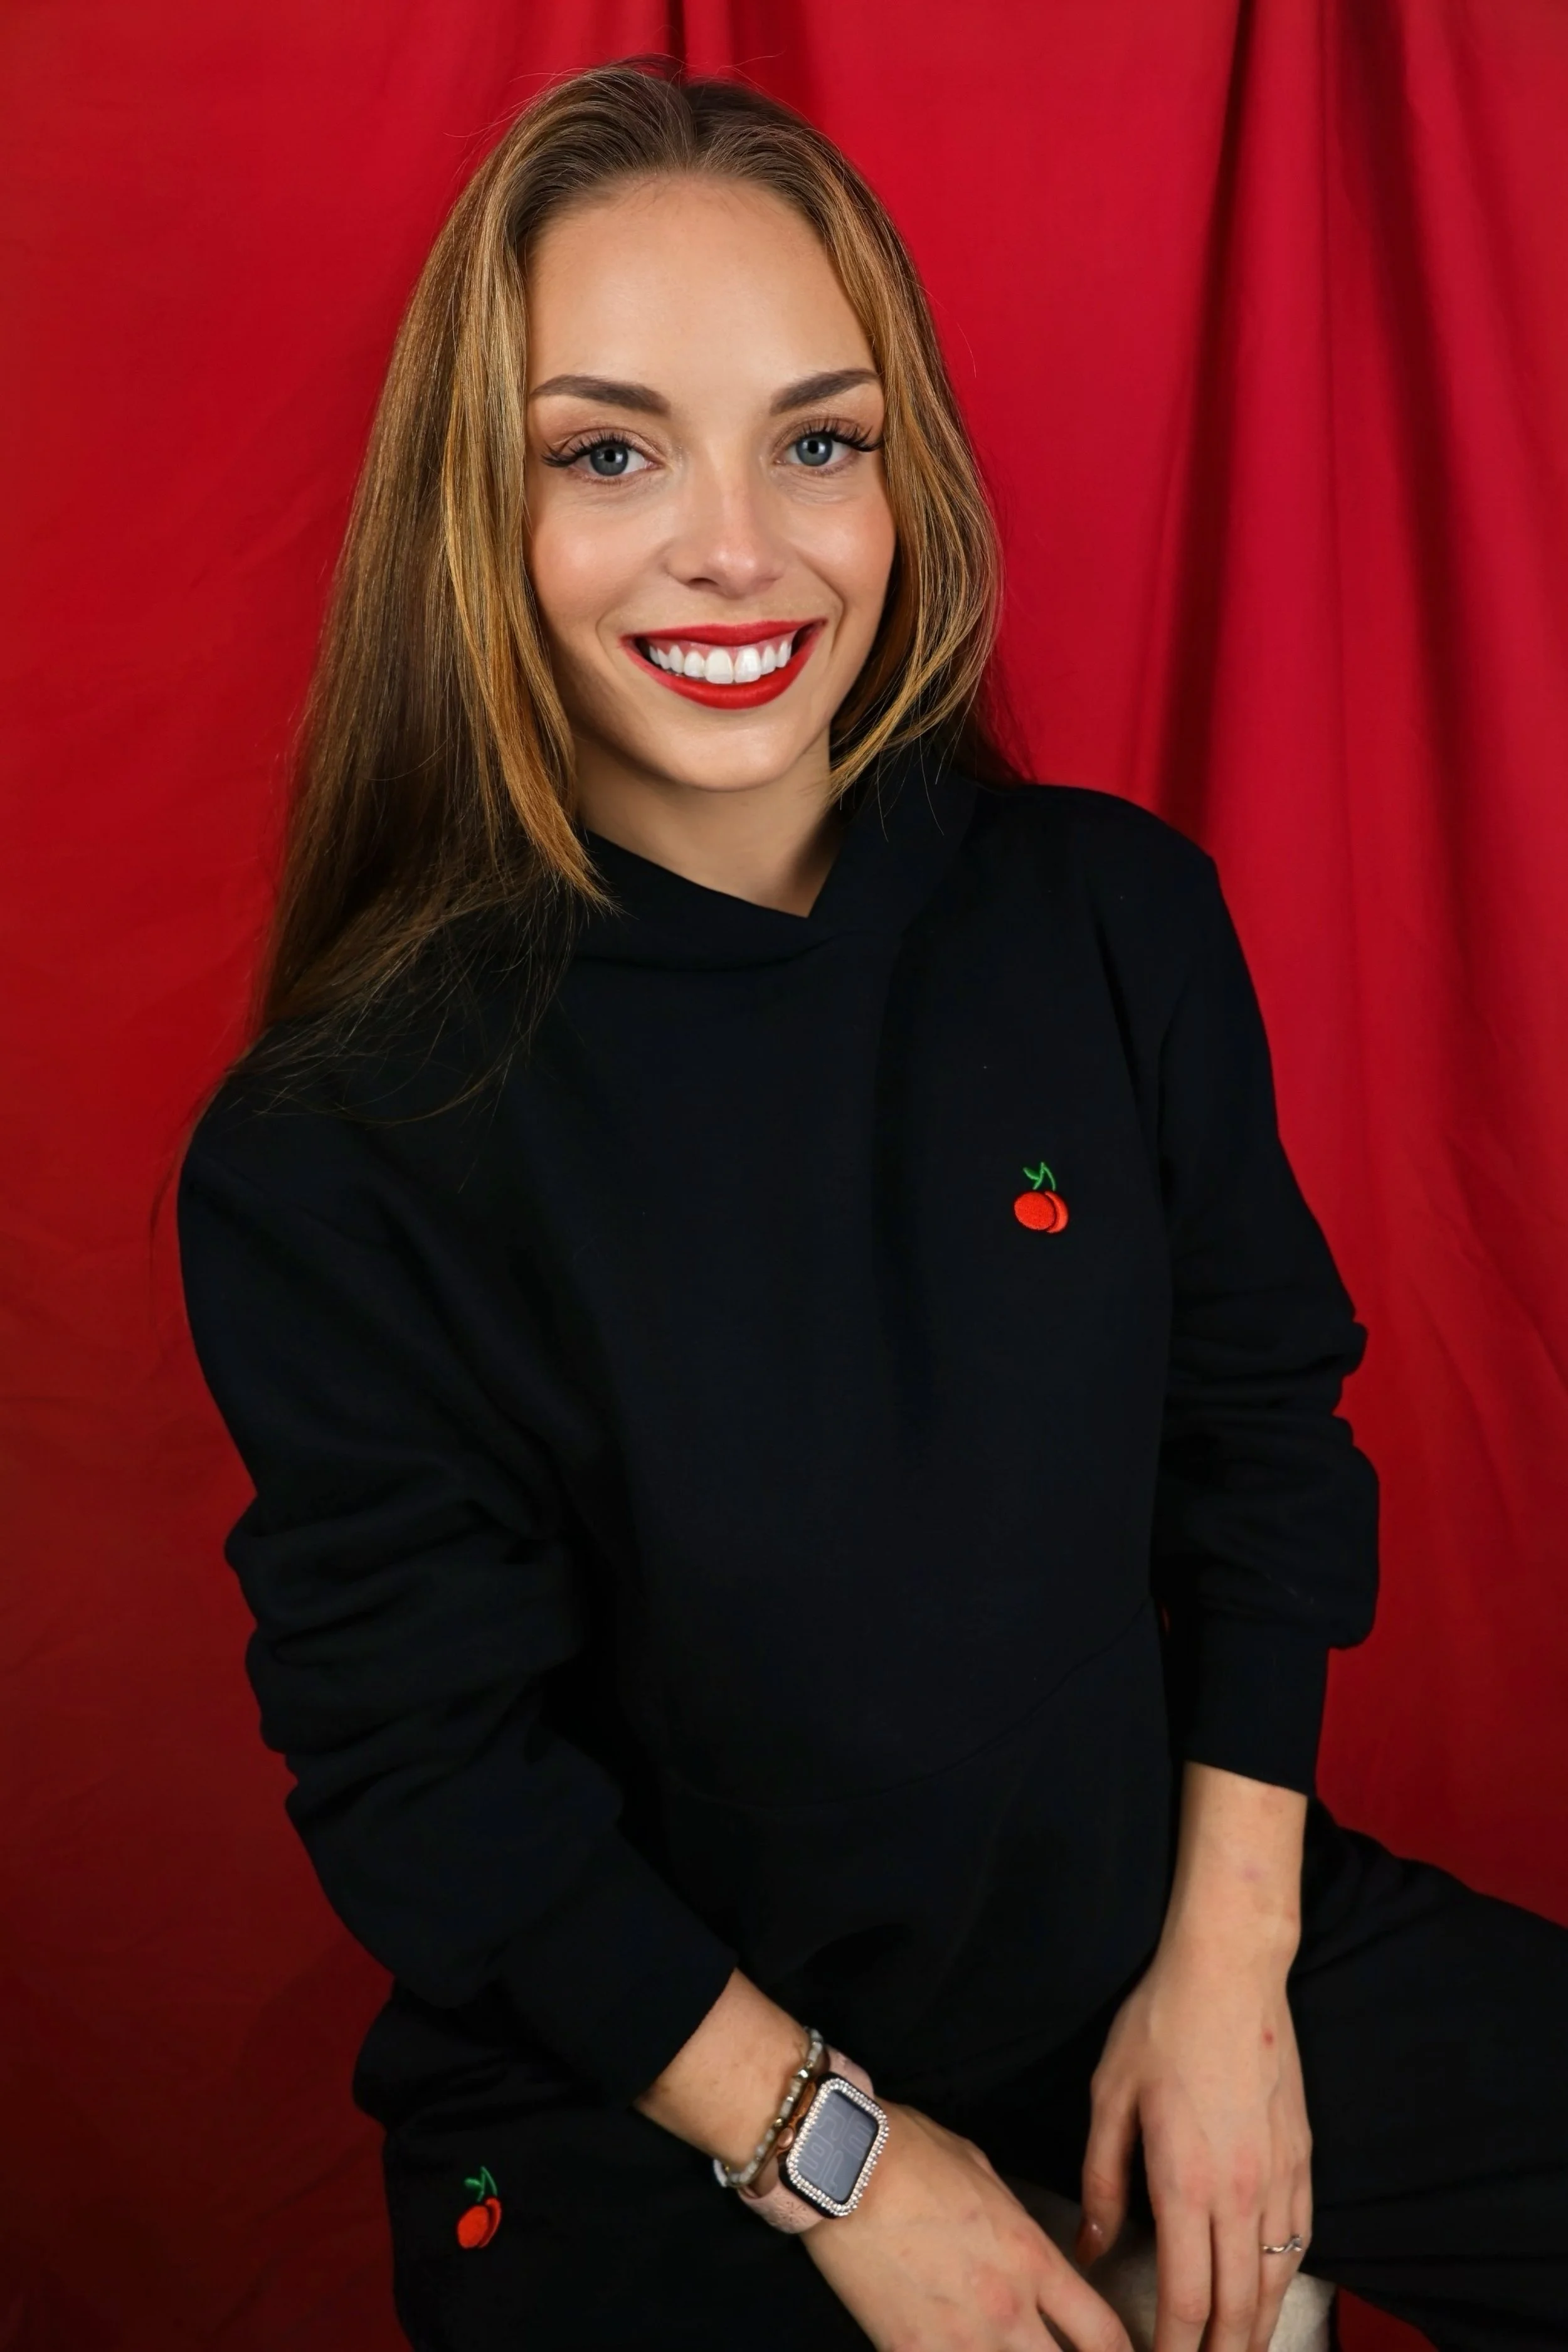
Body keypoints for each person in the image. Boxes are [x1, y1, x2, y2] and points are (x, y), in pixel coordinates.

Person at [176, 61, 1568, 2352]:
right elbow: (435, 1781)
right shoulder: (340, 1139)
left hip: (1156, 1938)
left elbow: (1258, 1439)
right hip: (655, 2096)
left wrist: (1228, 1973)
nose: (738, 546)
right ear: (472, 510)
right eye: (608, 454)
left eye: (816, 442)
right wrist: (840, 2160)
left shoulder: (1108, 918)